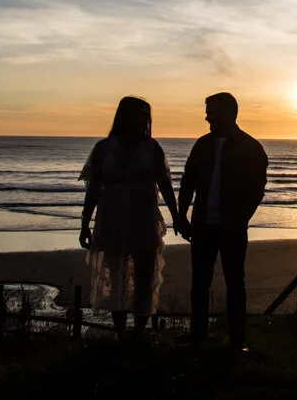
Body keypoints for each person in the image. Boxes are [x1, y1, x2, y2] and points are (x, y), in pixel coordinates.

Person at [79, 96, 191, 336]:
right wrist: (84, 223)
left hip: (144, 219)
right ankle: (121, 333)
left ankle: (139, 333)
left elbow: (165, 185)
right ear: (124, 115)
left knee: (144, 278)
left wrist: (176, 216)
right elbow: (93, 189)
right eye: (137, 113)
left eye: (145, 115)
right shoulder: (103, 148)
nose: (142, 119)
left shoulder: (152, 148)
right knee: (117, 278)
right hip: (111, 220)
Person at [179, 92, 267, 350]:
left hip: (232, 228)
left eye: (211, 112)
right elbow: (188, 182)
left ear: (228, 113)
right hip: (203, 225)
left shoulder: (251, 147)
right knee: (199, 284)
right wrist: (181, 215)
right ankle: (198, 338)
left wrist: (240, 219)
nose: (207, 116)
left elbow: (256, 190)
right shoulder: (202, 145)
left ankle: (237, 340)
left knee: (235, 284)